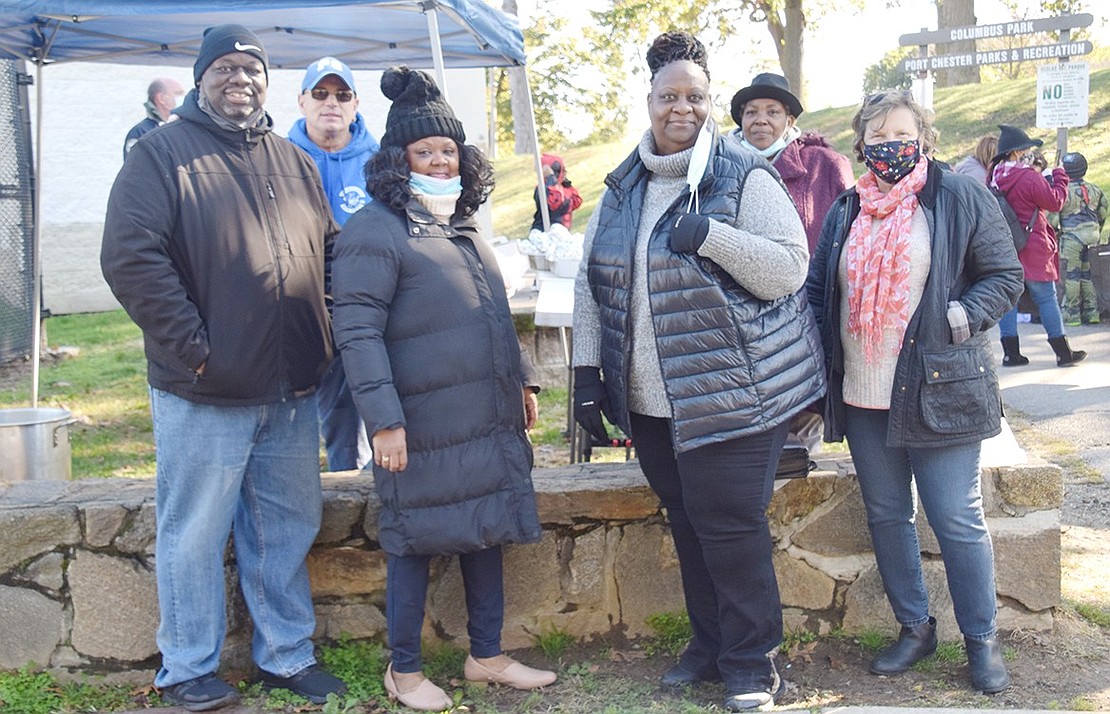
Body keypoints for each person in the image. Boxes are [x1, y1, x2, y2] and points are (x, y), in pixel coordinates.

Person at [572, 32, 825, 712]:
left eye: (695, 96)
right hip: (654, 401)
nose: (680, 107)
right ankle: (710, 647)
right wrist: (586, 372)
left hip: (736, 394)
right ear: (649, 101)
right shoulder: (623, 187)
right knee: (687, 520)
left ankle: (753, 663)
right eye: (668, 96)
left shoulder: (742, 173)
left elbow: (788, 269)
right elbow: (592, 283)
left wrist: (712, 235)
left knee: (731, 525)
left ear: (711, 104)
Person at [100, 25, 346, 711]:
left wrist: (321, 335)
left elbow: (329, 256)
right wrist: (196, 346)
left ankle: (287, 657)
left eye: (252, 68)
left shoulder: (292, 161)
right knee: (195, 535)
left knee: (285, 529)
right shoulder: (159, 156)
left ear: (269, 82)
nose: (240, 78)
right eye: (225, 67)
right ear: (201, 77)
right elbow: (130, 258)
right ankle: (187, 669)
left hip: (291, 388)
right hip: (203, 389)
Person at [331, 66, 556, 712]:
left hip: (482, 418)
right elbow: (358, 333)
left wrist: (524, 382)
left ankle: (485, 655)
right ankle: (402, 673)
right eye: (424, 151)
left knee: (485, 529)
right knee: (414, 540)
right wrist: (384, 421)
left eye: (447, 150)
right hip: (419, 426)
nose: (437, 160)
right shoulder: (376, 231)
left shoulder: (461, 226)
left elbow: (494, 313)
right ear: (398, 160)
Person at [805, 90, 1024, 695]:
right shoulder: (846, 208)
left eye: (899, 134)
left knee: (955, 516)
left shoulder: (959, 195)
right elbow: (820, 286)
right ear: (860, 145)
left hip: (943, 387)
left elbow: (1006, 276)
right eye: (875, 138)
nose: (888, 147)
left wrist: (961, 313)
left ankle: (982, 639)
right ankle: (914, 628)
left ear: (923, 137)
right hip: (865, 390)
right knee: (887, 515)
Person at [288, 56, 380, 471]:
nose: (331, 103)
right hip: (297, 308)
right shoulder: (278, 159)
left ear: (356, 104)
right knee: (294, 417)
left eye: (342, 95)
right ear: (302, 101)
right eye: (320, 93)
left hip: (361, 303)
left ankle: (352, 489)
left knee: (353, 414)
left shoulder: (380, 162)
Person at [990, 124, 1086, 367]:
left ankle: (1011, 354)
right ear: (1015, 152)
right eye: (1025, 148)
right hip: (1033, 245)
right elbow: (1055, 202)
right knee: (1046, 298)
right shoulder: (1028, 177)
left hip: (1007, 246)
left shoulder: (994, 177)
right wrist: (1060, 176)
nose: (1028, 152)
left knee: (1010, 299)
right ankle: (1063, 352)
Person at [728, 72, 854, 254]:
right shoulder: (722, 168)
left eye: (773, 112)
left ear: (789, 121)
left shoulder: (827, 165)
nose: (761, 120)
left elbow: (850, 236)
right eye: (751, 112)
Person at [1049, 151, 1108, 325]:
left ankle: (1071, 314)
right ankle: (1092, 312)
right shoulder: (1095, 189)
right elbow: (1103, 211)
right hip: (1092, 235)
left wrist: (1056, 234)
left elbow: (1052, 219)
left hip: (1072, 239)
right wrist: (1097, 228)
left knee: (1072, 276)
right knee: (1087, 274)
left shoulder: (1062, 191)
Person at [123, 77, 185, 158]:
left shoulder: (184, 128)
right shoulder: (140, 133)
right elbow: (136, 167)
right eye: (178, 93)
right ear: (161, 98)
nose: (184, 98)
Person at [530, 152, 583, 230]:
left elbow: (576, 202)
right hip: (544, 233)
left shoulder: (563, 187)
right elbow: (554, 202)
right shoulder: (541, 189)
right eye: (561, 169)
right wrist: (551, 179)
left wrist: (567, 183)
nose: (565, 172)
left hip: (561, 233)